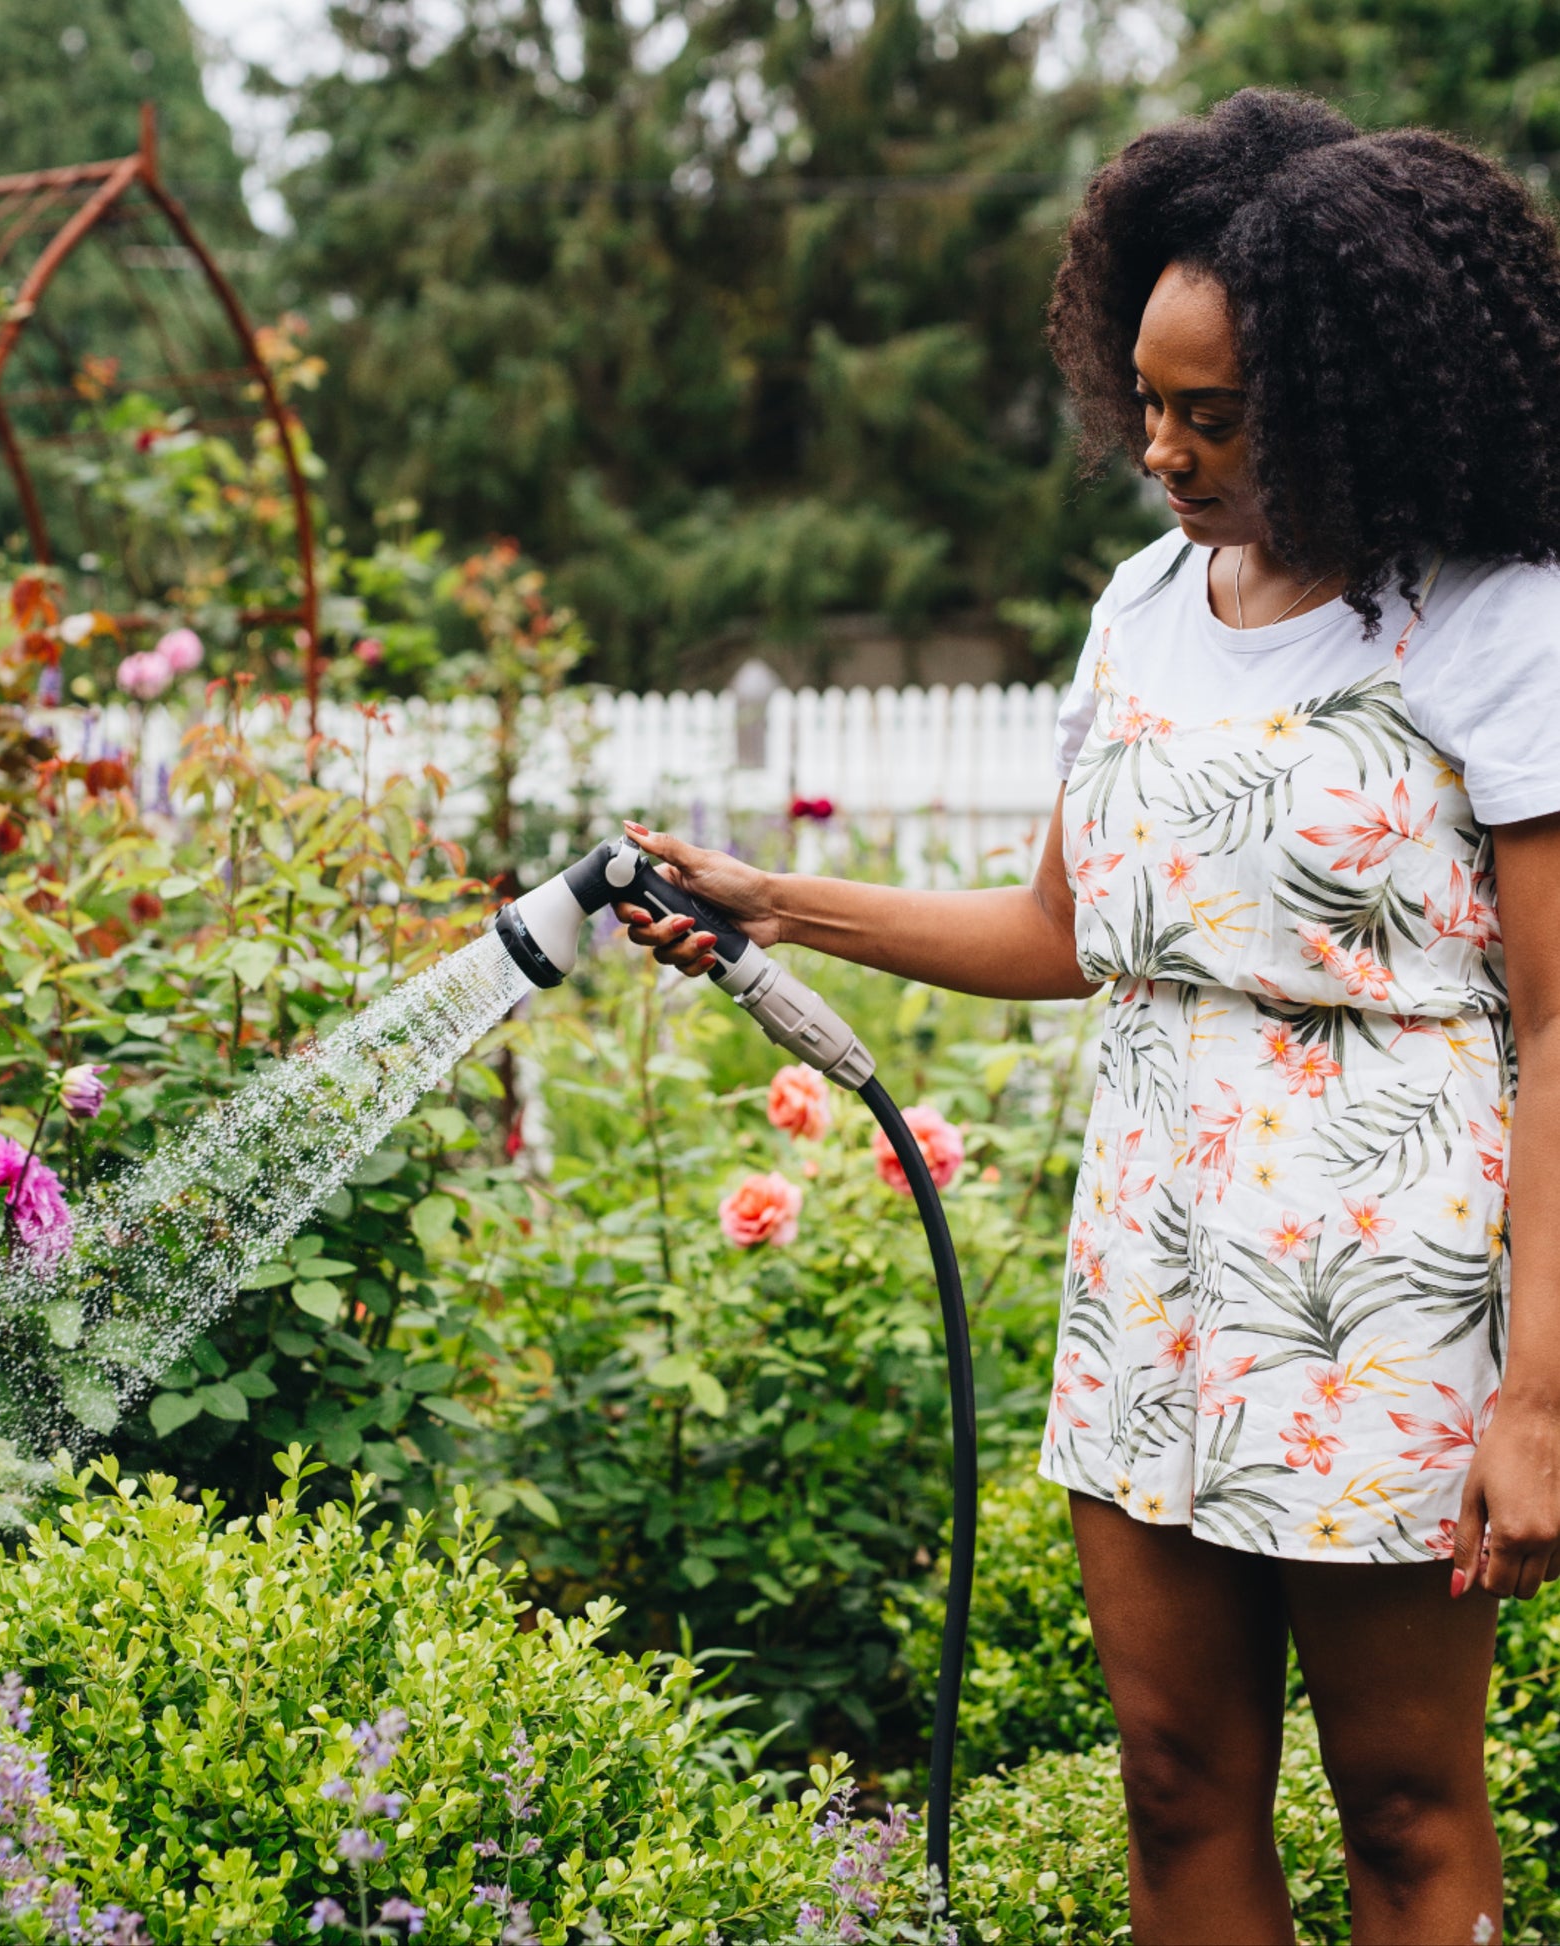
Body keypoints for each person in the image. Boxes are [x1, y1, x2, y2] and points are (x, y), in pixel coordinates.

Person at [616, 87, 1560, 1946]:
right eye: (1147, 400)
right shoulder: (1140, 607)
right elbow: (1069, 929)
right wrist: (776, 900)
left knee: (1398, 1805)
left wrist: (1539, 1390)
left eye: (1215, 415)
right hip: (1151, 1270)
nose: (1162, 449)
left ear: (1357, 394)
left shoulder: (1488, 619)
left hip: (1392, 1293)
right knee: (1174, 1780)